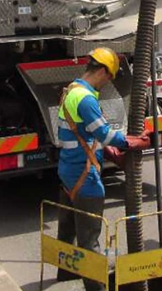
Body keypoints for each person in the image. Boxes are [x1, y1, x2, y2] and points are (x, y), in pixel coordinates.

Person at [55, 48, 151, 290]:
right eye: (109, 76)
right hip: (84, 176)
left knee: (67, 228)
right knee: (89, 238)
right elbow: (104, 134)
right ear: (101, 71)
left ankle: (66, 272)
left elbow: (80, 133)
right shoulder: (86, 99)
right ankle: (96, 286)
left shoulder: (71, 90)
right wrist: (133, 142)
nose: (109, 82)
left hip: (67, 171)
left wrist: (105, 150)